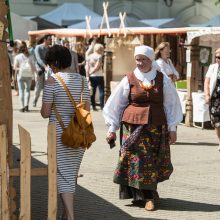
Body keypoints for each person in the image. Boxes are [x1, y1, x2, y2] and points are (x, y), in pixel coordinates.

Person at [103, 45, 182, 211]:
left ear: (151, 60)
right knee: (138, 161)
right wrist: (112, 127)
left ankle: (146, 194)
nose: (139, 63)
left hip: (156, 128)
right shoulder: (129, 78)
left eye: (143, 59)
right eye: (137, 59)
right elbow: (116, 104)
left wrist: (173, 128)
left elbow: (171, 104)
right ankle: (147, 197)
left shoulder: (162, 79)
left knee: (153, 161)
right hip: (132, 127)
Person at [41, 45, 90, 220]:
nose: (49, 68)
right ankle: (65, 214)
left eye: (49, 64)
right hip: (79, 133)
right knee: (70, 174)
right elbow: (87, 110)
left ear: (54, 63)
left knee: (63, 175)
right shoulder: (83, 81)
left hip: (59, 135)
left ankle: (70, 216)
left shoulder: (52, 82)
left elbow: (45, 113)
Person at [204, 48, 220, 151]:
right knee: (216, 121)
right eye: (217, 57)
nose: (218, 59)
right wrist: (207, 95)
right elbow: (207, 82)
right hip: (215, 99)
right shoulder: (213, 67)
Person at [14, 41, 36, 112]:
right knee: (27, 91)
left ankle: (22, 107)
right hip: (29, 75)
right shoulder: (31, 56)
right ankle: (26, 106)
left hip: (20, 75)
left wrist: (20, 68)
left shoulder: (17, 57)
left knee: (21, 91)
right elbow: (33, 67)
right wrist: (35, 74)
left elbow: (15, 67)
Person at [33, 34, 52, 107]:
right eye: (49, 39)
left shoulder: (49, 49)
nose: (50, 41)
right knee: (38, 87)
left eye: (51, 39)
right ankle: (35, 100)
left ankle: (44, 103)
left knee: (46, 88)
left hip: (47, 70)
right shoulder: (38, 48)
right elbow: (38, 59)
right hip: (40, 70)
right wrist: (44, 66)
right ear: (45, 40)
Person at [86, 43, 104, 111]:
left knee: (92, 91)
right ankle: (102, 107)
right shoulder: (99, 56)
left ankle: (93, 106)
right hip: (99, 75)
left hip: (92, 76)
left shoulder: (90, 56)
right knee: (101, 91)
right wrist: (92, 72)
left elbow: (87, 67)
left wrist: (88, 74)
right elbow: (97, 66)